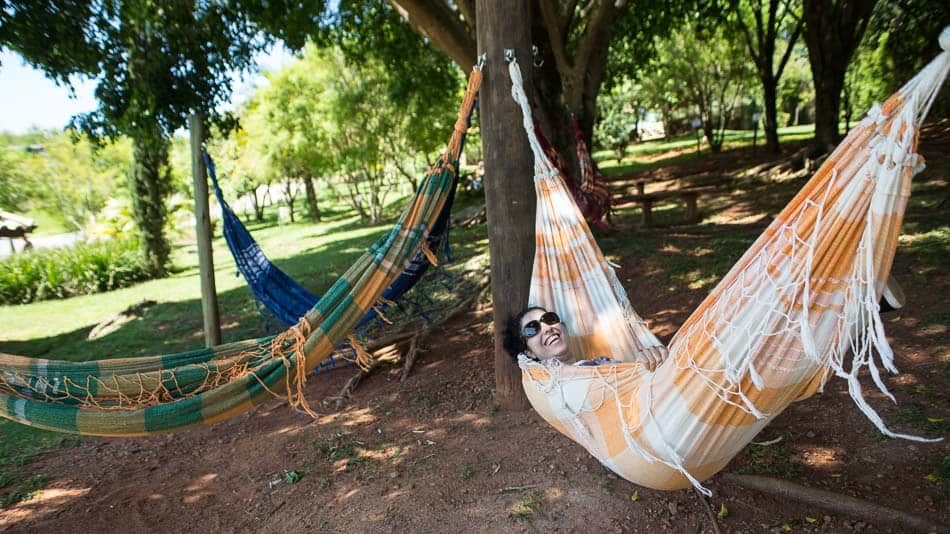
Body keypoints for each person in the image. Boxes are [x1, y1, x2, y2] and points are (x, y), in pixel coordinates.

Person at [504, 306, 617, 366]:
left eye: (549, 319)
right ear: (529, 353)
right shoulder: (549, 385)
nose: (547, 328)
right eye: (532, 329)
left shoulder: (596, 363)